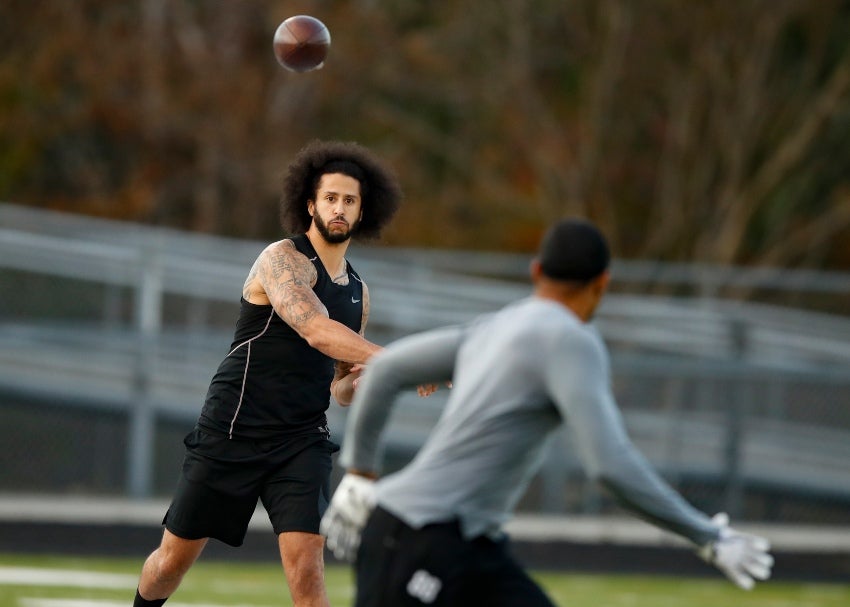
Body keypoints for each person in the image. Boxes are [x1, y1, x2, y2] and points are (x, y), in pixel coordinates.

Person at [321, 218, 774, 607]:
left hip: (455, 542)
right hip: (426, 538)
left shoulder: (495, 325)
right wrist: (707, 537)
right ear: (602, 283)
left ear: (537, 271)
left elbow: (385, 372)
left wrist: (360, 475)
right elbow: (610, 467)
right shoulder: (573, 339)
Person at [133, 139, 403, 607]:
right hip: (232, 428)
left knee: (307, 574)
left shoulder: (359, 290)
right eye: (331, 198)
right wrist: (397, 363)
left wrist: (356, 382)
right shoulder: (282, 259)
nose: (340, 208)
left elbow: (338, 385)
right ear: (310, 204)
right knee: (170, 564)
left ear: (363, 211)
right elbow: (316, 330)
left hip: (300, 440)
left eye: (350, 201)